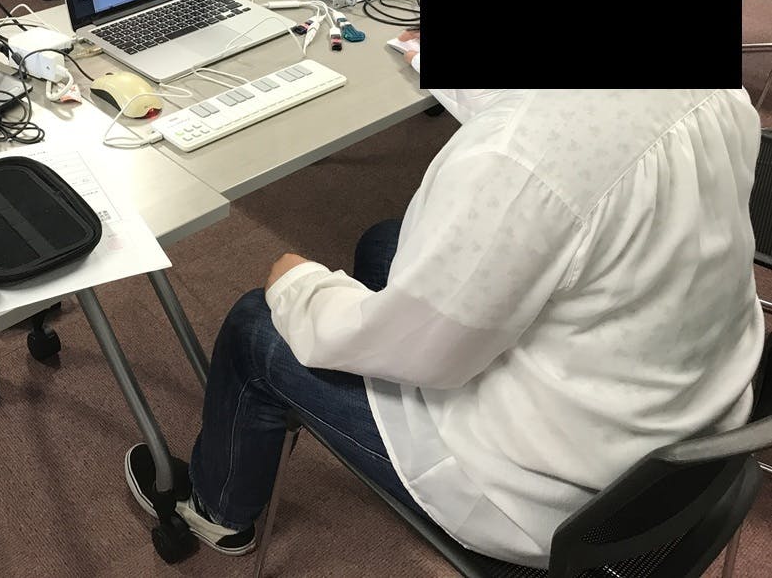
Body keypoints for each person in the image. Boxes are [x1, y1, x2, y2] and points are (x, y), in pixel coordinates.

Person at [125, 87, 764, 567]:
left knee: (257, 327)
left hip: (565, 496)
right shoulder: (715, 91)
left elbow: (423, 350)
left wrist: (299, 286)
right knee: (385, 243)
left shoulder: (518, 156)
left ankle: (215, 510)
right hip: (685, 416)